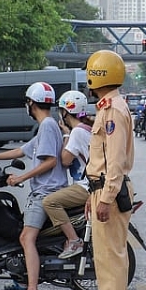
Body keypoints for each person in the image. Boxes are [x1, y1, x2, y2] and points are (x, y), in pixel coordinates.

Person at [0, 82, 68, 290]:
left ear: (31, 103)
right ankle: (23, 279)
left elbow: (51, 161)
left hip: (46, 192)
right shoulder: (46, 126)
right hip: (43, 191)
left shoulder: (48, 126)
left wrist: (22, 177)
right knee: (19, 231)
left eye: (27, 102)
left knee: (26, 237)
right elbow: (21, 150)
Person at [79, 50, 135, 290]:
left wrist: (106, 197)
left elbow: (114, 160)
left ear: (96, 75)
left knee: (111, 262)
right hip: (102, 189)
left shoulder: (112, 109)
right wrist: (94, 194)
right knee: (105, 261)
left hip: (110, 192)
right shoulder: (108, 106)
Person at [42, 90, 94, 259]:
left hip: (87, 186)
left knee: (50, 202)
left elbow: (65, 160)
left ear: (65, 111)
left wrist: (65, 133)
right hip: (90, 183)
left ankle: (73, 240)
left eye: (61, 110)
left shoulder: (77, 132)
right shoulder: (87, 128)